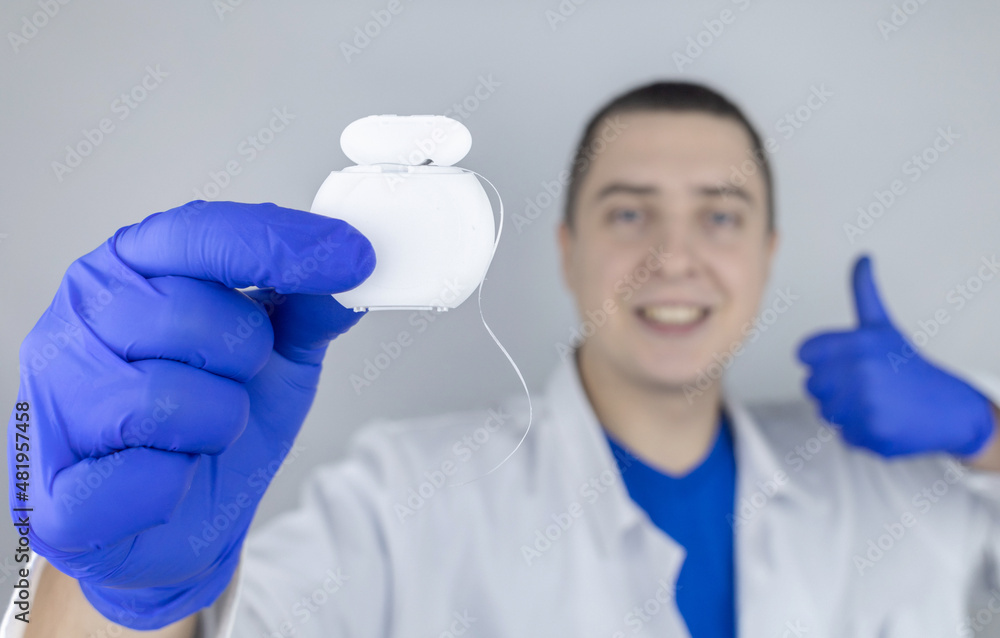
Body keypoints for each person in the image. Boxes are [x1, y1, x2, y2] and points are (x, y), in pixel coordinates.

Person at [6, 81, 1000, 638]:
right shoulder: (401, 500)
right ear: (566, 248)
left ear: (769, 253)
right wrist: (118, 590)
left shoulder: (896, 492)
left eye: (722, 215)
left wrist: (990, 436)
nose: (675, 255)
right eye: (629, 212)